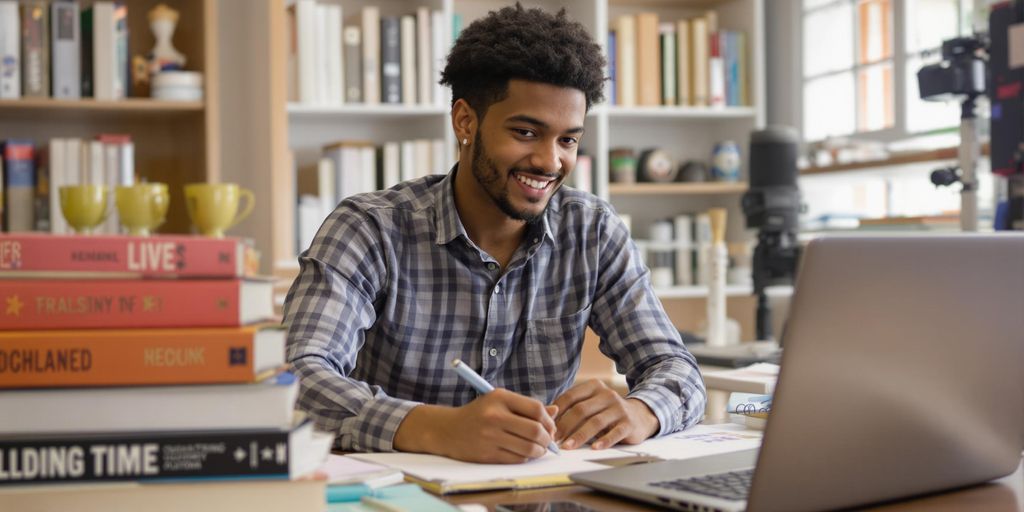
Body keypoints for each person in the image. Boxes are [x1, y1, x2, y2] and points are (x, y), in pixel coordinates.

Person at [283, 4, 706, 464]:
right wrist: (437, 428)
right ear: (465, 122)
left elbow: (676, 369)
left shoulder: (593, 232)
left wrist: (641, 410)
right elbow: (294, 378)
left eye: (567, 139)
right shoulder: (369, 228)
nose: (549, 161)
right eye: (526, 132)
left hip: (541, 488)